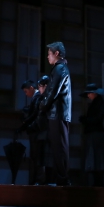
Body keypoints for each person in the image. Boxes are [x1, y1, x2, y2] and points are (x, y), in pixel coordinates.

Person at [40, 41, 72, 186]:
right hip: (57, 113)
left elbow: (53, 90)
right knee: (58, 147)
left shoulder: (60, 69)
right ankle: (61, 178)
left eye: (49, 54)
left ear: (56, 53)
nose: (48, 57)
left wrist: (43, 105)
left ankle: (63, 179)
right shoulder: (60, 68)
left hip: (58, 113)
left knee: (60, 147)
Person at [16, 76, 49, 185]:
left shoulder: (39, 97)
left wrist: (26, 124)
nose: (26, 94)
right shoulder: (36, 98)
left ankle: (40, 180)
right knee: (35, 156)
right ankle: (36, 179)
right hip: (36, 130)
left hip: (38, 130)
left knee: (38, 156)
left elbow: (35, 114)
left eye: (26, 91)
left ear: (31, 88)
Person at [79, 83, 104, 187]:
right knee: (95, 159)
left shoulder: (99, 103)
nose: (88, 96)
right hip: (93, 133)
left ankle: (98, 183)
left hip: (96, 133)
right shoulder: (96, 103)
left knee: (97, 159)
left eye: (89, 93)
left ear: (94, 93)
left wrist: (86, 120)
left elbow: (98, 118)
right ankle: (95, 182)